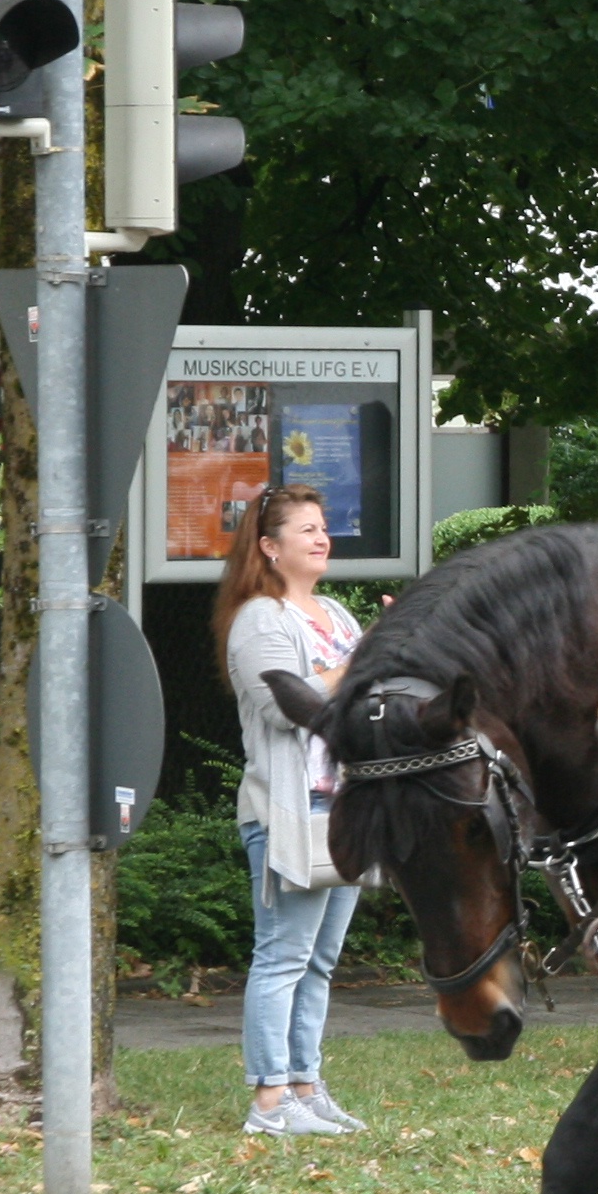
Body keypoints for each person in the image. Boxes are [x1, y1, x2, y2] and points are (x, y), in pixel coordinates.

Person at [221, 483, 368, 1137]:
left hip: (345, 806)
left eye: (323, 526)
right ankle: (269, 1102)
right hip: (288, 805)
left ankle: (306, 1087)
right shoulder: (261, 619)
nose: (321, 537)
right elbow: (288, 706)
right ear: (269, 547)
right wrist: (360, 663)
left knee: (321, 959)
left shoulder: (336, 614)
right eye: (306, 529)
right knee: (283, 954)